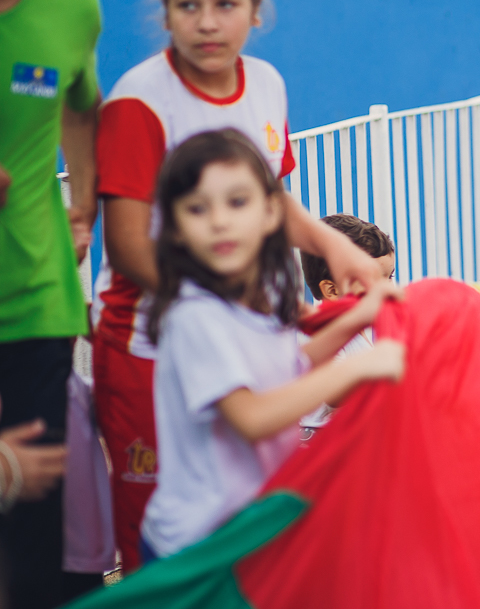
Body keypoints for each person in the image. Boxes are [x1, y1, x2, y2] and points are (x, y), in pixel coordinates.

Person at [90, 0, 384, 571]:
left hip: (247, 321)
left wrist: (339, 249)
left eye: (224, 4)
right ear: (164, 12)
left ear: (256, 9)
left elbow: (276, 201)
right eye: (186, 5)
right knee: (167, 536)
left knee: (244, 501)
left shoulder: (266, 84)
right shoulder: (140, 101)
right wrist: (227, 310)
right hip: (151, 339)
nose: (205, 23)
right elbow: (129, 244)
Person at [138, 131, 404, 563]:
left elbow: (287, 366)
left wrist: (356, 317)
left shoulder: (252, 298)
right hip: (198, 546)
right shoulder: (195, 314)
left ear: (271, 215)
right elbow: (251, 416)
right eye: (197, 209)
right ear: (176, 230)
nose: (220, 220)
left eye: (237, 202)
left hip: (246, 528)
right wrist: (354, 368)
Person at [0, 0, 102, 604]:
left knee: (35, 525)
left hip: (35, 300)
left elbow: (80, 105)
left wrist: (85, 206)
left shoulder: (73, 6)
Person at [299, 214, 396, 437]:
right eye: (374, 280)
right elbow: (336, 393)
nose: (389, 288)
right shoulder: (323, 333)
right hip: (323, 448)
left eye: (390, 276)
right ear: (332, 291)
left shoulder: (363, 327)